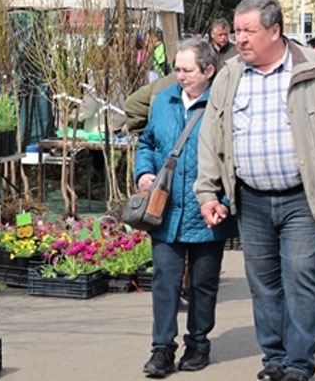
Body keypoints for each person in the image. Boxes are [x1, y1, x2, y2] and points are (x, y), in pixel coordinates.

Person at [194, 0, 315, 381]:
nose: (239, 38)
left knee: (300, 277)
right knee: (263, 284)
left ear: (275, 30)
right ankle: (275, 359)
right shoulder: (230, 75)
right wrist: (208, 193)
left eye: (249, 31)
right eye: (237, 30)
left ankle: (298, 362)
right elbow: (210, 139)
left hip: (304, 197)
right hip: (251, 198)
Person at [136, 39, 238, 378]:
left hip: (207, 213)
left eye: (187, 70)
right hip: (165, 212)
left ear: (208, 71)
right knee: (165, 281)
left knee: (204, 283)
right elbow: (147, 142)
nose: (179, 76)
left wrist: (223, 202)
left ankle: (198, 344)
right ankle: (162, 349)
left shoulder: (222, 106)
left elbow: (233, 158)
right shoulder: (164, 102)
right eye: (176, 69)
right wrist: (144, 171)